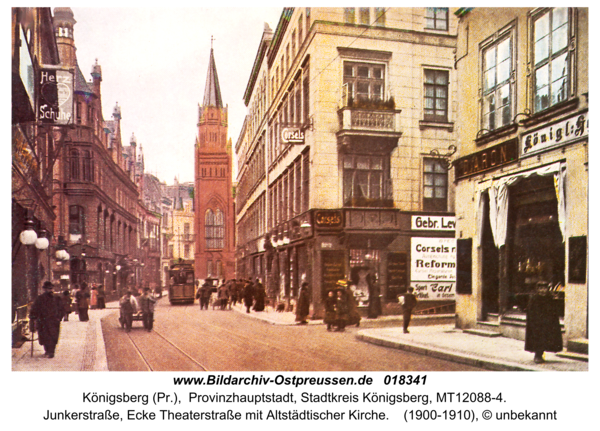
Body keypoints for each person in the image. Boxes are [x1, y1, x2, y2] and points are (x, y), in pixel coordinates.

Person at [525, 282, 563, 363]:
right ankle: (537, 356)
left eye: (544, 288)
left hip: (547, 323)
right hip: (537, 323)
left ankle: (540, 355)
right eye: (540, 288)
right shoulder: (534, 299)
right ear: (537, 289)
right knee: (538, 339)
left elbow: (554, 311)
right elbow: (530, 311)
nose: (543, 290)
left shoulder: (549, 298)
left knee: (545, 339)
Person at [29, 281, 63, 358]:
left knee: (53, 336)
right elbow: (34, 308)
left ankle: (51, 351)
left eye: (51, 288)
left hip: (53, 321)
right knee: (44, 336)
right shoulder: (40, 298)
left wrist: (59, 318)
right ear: (45, 289)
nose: (50, 290)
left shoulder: (57, 298)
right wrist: (33, 316)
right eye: (48, 288)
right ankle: (47, 350)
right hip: (42, 321)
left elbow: (61, 308)